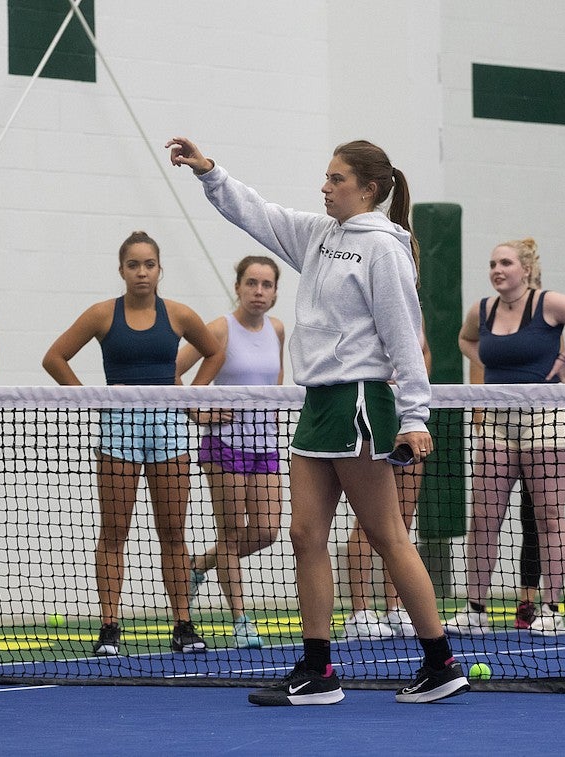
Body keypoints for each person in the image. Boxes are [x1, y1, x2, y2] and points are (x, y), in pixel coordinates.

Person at [168, 135, 469, 705]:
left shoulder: (384, 248)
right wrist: (208, 170)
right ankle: (318, 671)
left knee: (384, 534)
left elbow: (405, 338)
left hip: (359, 402)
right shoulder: (320, 236)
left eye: (336, 180)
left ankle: (440, 662)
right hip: (317, 405)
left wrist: (415, 417)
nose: (325, 187)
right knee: (305, 534)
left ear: (369, 189)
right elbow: (258, 213)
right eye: (326, 178)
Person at [44, 230, 223, 656]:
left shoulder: (178, 314)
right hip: (118, 427)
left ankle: (183, 624)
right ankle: (109, 628)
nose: (141, 272)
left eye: (149, 264)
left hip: (169, 428)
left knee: (173, 533)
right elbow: (54, 358)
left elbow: (213, 352)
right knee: (114, 532)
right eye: (133, 265)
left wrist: (190, 398)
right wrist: (93, 400)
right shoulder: (102, 314)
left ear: (160, 270)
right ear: (121, 269)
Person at [451, 238, 565, 636]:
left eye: (506, 263)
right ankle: (475, 608)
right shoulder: (483, 310)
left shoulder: (550, 303)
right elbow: (465, 340)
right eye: (492, 263)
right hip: (497, 419)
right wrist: (491, 366)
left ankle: (550, 607)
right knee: (483, 518)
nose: (497, 269)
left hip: (548, 419)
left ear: (525, 270)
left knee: (548, 515)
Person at [178, 255, 286, 649]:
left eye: (266, 285)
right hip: (224, 445)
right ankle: (241, 619)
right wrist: (199, 412)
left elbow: (275, 383)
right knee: (228, 534)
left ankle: (197, 566)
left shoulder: (277, 329)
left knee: (265, 531)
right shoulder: (220, 330)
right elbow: (174, 373)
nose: (258, 291)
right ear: (238, 286)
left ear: (275, 292)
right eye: (251, 283)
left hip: (266, 445)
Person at [342, 327, 429, 640]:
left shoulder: (413, 316)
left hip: (408, 425)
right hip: (373, 422)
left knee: (400, 525)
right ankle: (359, 612)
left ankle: (394, 607)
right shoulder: (372, 303)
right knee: (367, 524)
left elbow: (422, 356)